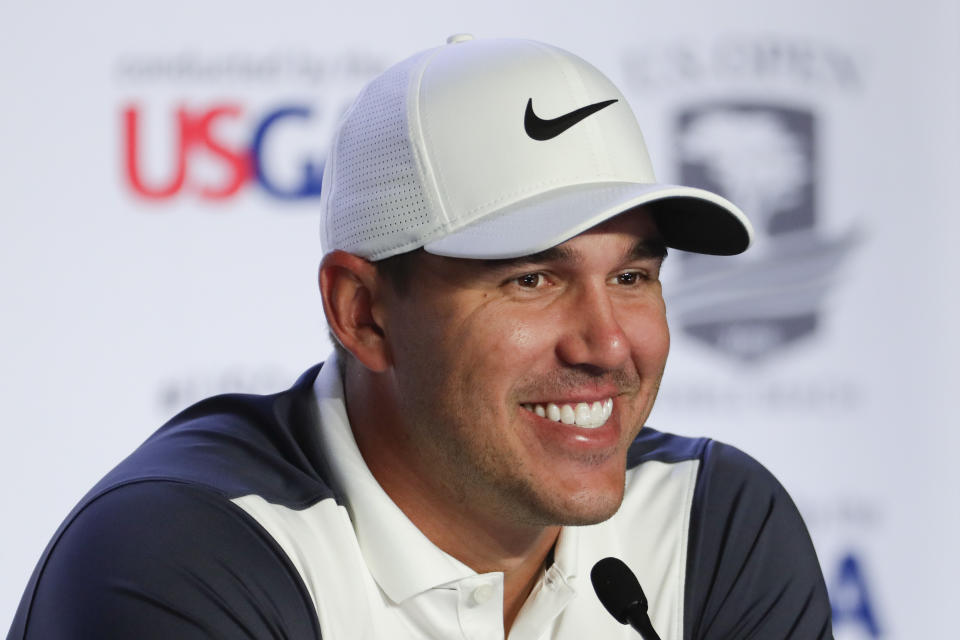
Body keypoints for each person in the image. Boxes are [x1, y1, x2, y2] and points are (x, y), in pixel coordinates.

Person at [8, 35, 832, 639]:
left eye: (631, 277)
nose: (608, 346)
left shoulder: (708, 524)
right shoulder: (180, 554)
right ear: (362, 313)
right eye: (531, 280)